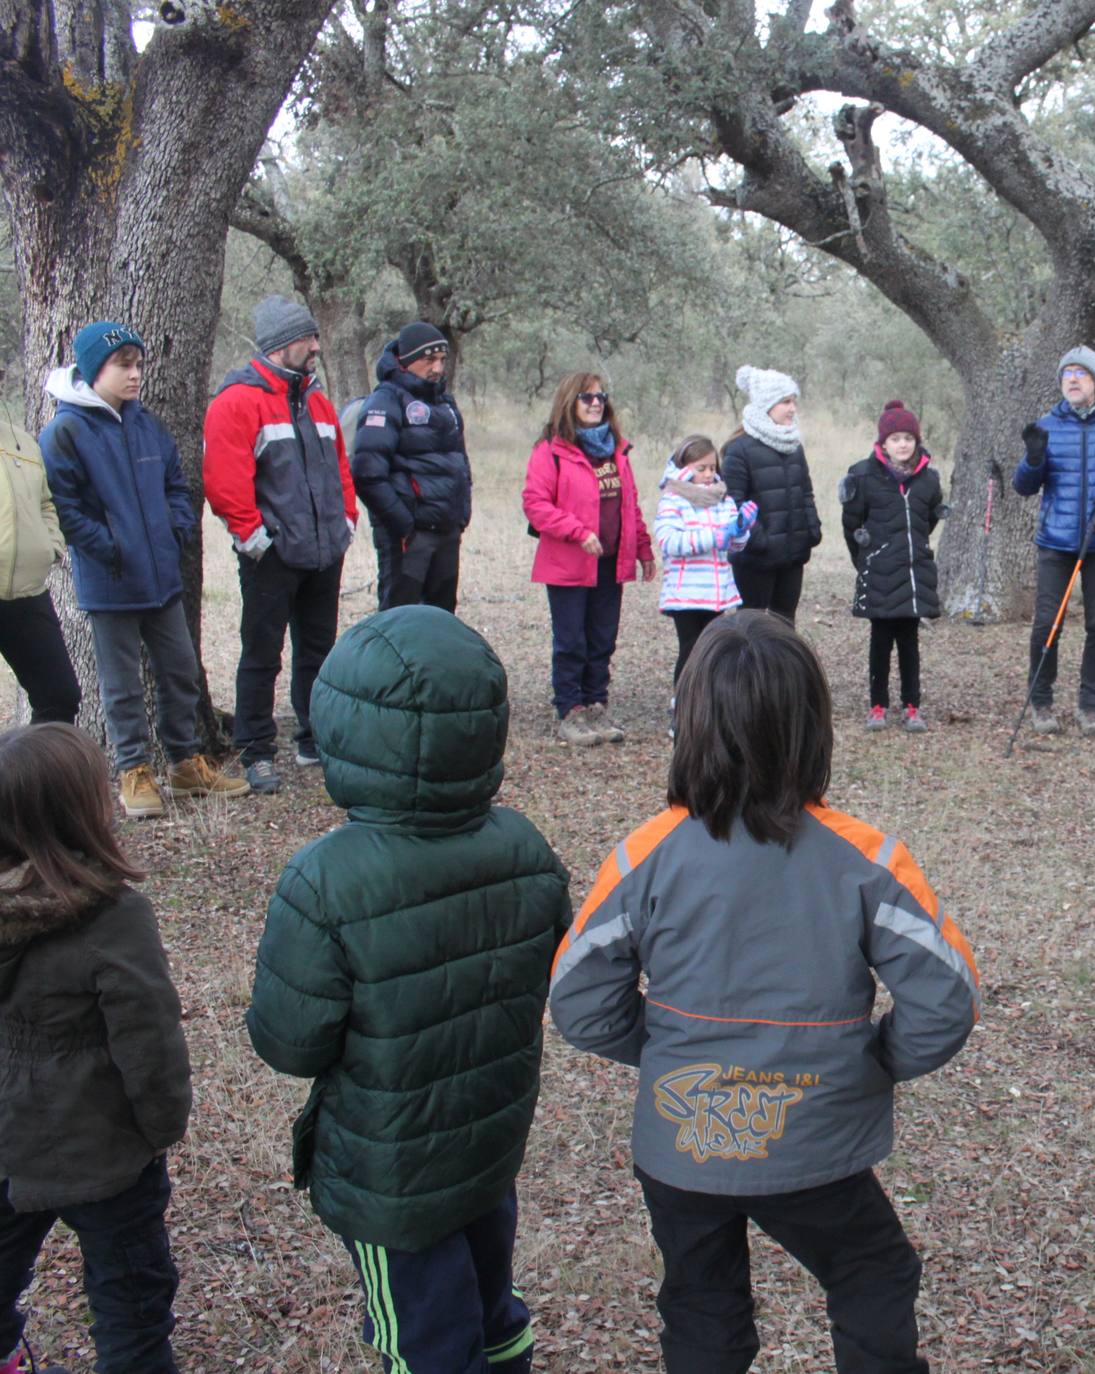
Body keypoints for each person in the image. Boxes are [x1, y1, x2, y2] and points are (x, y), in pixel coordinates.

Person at [550, 610, 980, 1374]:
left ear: (692, 724)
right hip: (814, 1143)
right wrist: (872, 1061)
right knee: (872, 1272)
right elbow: (944, 998)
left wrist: (668, 1051)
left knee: (701, 1304)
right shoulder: (865, 858)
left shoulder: (647, 854)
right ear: (814, 726)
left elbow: (580, 999)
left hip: (681, 1142)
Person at [246, 606, 572, 1374]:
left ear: (345, 727)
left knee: (421, 1344)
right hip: (488, 1144)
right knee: (493, 1311)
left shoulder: (323, 880)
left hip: (391, 1178)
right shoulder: (526, 848)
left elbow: (290, 1045)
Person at [0, 722, 190, 1374]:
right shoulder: (114, 917)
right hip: (107, 1152)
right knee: (132, 1303)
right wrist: (162, 1125)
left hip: (5, 1143)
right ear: (84, 815)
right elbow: (149, 1038)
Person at [43, 322, 249, 816]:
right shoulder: (65, 431)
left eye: (138, 365)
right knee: (122, 688)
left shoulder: (146, 424)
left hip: (162, 579)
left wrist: (173, 532)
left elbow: (177, 485)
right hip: (110, 581)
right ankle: (133, 773)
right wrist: (111, 546)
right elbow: (64, 507)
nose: (135, 375)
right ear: (94, 369)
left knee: (180, 672)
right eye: (123, 365)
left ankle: (184, 766)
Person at [202, 293, 358, 795]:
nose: (316, 346)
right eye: (308, 338)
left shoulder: (317, 399)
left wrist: (346, 525)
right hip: (271, 556)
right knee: (261, 653)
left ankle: (314, 739)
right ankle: (255, 750)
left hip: (323, 552)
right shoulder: (236, 402)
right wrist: (255, 541)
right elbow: (225, 483)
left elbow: (340, 471)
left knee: (319, 651)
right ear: (282, 343)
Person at [1014, 345, 1095, 736]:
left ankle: (1089, 707)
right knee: (1046, 625)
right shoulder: (1047, 425)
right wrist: (1034, 458)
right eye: (1066, 374)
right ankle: (1040, 702)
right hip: (1056, 540)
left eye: (1080, 373)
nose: (1071, 379)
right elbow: (1023, 486)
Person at [520, 373, 655, 747]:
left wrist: (642, 547)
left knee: (602, 638)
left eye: (601, 397)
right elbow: (535, 504)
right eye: (586, 397)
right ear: (569, 402)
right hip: (569, 564)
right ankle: (570, 710)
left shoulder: (616, 451)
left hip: (611, 562)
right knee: (571, 640)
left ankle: (597, 703)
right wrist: (578, 532)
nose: (596, 403)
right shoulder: (551, 450)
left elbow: (630, 504)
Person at [840, 400, 948, 733]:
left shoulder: (929, 480)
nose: (902, 444)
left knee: (910, 643)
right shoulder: (862, 475)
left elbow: (926, 521)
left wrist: (909, 549)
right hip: (879, 574)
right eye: (896, 438)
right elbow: (851, 525)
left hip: (914, 574)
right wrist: (867, 561)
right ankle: (878, 704)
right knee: (880, 641)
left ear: (917, 441)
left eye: (908, 438)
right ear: (883, 443)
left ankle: (912, 705)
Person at [350, 322, 470, 612]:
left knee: (440, 619)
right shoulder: (385, 401)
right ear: (406, 361)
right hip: (408, 535)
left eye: (442, 360)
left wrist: (461, 514)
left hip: (446, 529)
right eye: (429, 360)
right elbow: (367, 473)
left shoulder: (446, 403)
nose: (438, 368)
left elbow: (459, 462)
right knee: (400, 620)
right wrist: (404, 525)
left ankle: (435, 661)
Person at [655, 434, 756, 695]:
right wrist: (713, 536)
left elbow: (735, 545)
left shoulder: (723, 500)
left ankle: (708, 711)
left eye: (712, 468)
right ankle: (682, 710)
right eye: (702, 469)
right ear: (685, 469)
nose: (709, 474)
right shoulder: (673, 499)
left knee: (714, 654)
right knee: (690, 651)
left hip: (717, 594)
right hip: (686, 595)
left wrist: (742, 529)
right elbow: (668, 541)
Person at [723, 366, 821, 621]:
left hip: (793, 553)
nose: (792, 408)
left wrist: (811, 531)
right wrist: (760, 541)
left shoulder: (793, 445)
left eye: (793, 401)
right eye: (785, 402)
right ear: (767, 404)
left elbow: (806, 493)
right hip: (755, 558)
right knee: (750, 625)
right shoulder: (738, 449)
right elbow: (733, 503)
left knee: (785, 625)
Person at [0, 417, 80, 727]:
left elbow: (46, 503)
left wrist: (52, 544)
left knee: (59, 697)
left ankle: (38, 776)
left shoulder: (23, 442)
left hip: (28, 592)